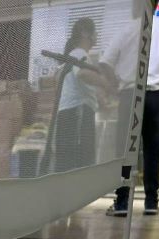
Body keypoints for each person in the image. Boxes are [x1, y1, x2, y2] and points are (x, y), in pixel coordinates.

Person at [102, 0, 159, 216]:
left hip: (129, 95)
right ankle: (151, 201)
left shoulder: (127, 29)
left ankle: (123, 201)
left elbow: (105, 63)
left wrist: (114, 84)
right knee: (153, 151)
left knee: (125, 151)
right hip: (156, 96)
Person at [55, 18, 112, 172]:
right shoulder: (79, 53)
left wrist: (102, 101)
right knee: (80, 165)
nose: (97, 35)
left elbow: (84, 86)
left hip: (70, 115)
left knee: (68, 166)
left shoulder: (73, 56)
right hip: (77, 114)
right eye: (95, 32)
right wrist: (106, 83)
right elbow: (83, 74)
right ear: (86, 33)